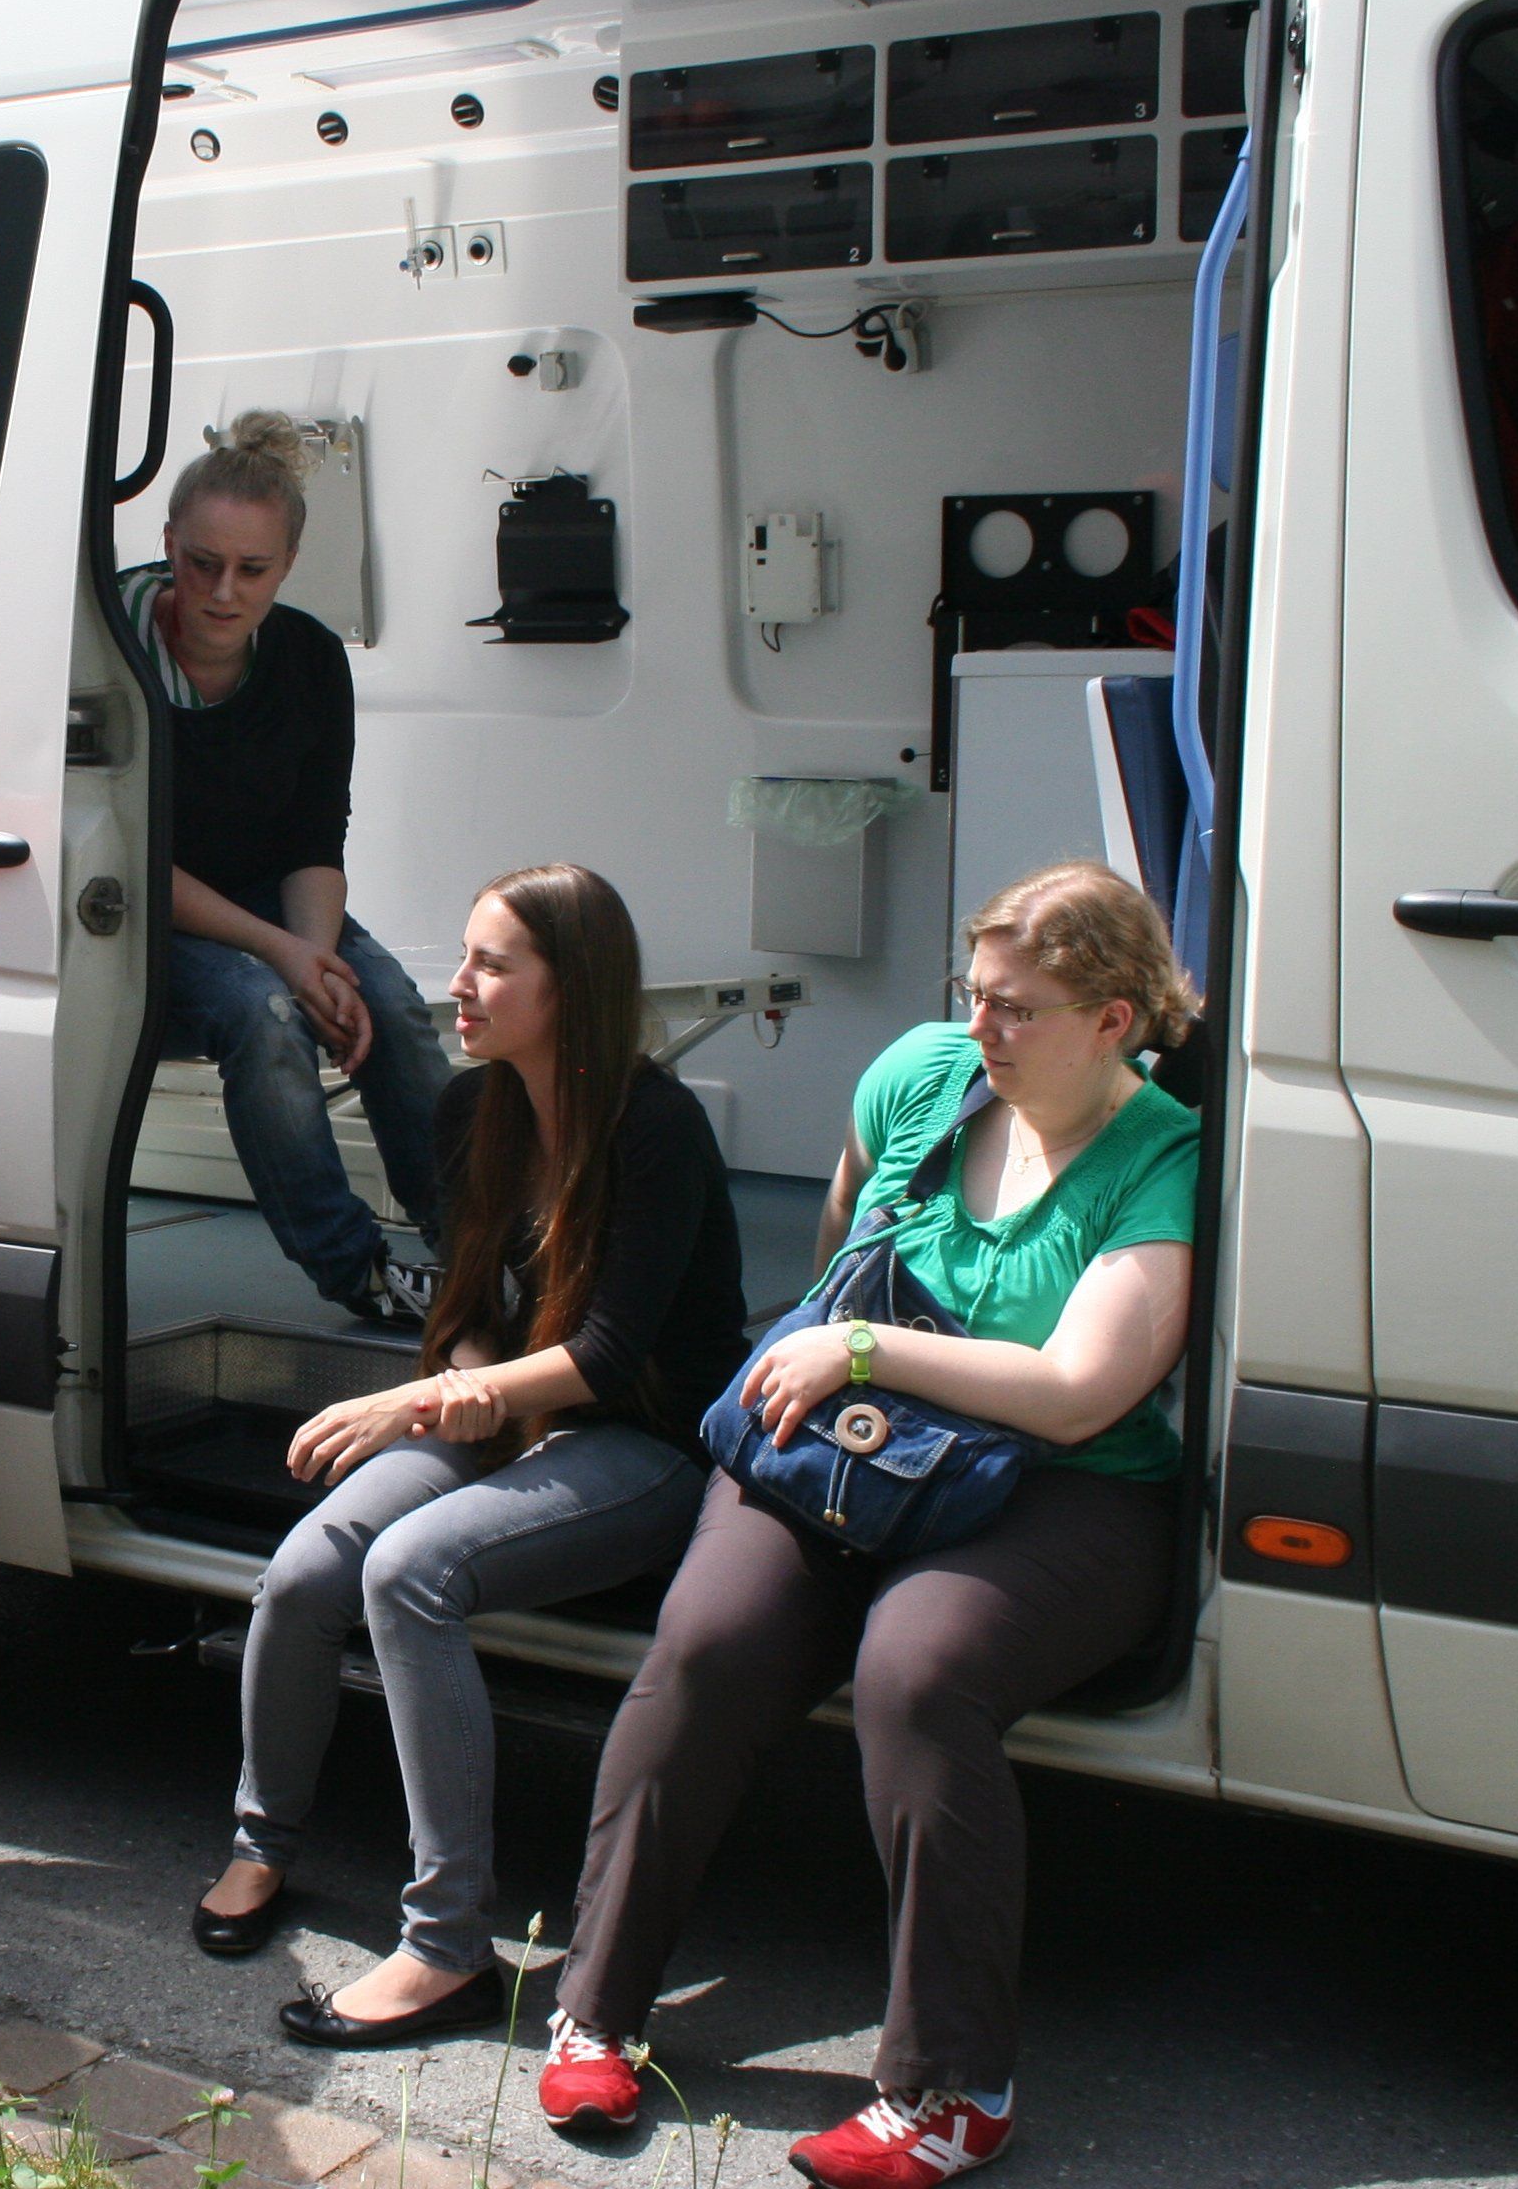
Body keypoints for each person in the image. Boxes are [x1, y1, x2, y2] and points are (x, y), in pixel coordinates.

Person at [534, 862, 1201, 2187]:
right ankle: (593, 2011)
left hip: (1062, 1482)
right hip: (862, 1440)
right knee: (711, 1640)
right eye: (974, 993)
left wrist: (866, 1354)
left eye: (1016, 1008)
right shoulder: (921, 1076)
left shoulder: (1162, 1157)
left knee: (919, 1668)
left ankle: (951, 2093)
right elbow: (845, 1226)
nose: (980, 1027)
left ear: (1114, 1021)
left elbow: (1081, 1392)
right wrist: (851, 1364)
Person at [194, 864, 749, 2049]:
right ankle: (261, 1842)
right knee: (303, 1575)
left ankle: (448, 1949)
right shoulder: (469, 1112)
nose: (457, 984)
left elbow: (610, 1356)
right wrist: (458, 1383)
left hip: (643, 1437)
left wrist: (426, 1401)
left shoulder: (656, 1128)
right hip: (507, 1411)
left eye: (492, 965)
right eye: (466, 957)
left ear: (572, 989)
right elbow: (469, 1305)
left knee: (410, 1574)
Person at [131, 411, 452, 1323]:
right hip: (136, 908)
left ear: (288, 566)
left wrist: (320, 961)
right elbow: (126, 853)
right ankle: (357, 1271)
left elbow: (316, 834)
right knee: (265, 1015)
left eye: (252, 570)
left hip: (272, 897)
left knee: (387, 1006)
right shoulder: (109, 649)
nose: (222, 592)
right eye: (202, 564)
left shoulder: (308, 657)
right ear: (168, 544)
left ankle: (476, 1245)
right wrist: (286, 959)